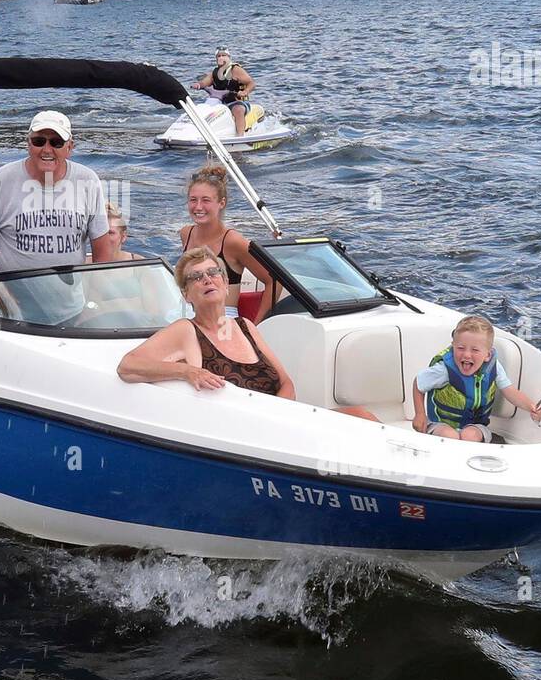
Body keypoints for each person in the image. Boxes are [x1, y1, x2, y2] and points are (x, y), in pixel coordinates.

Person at [117, 247, 378, 421]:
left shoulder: (245, 327)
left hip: (283, 421)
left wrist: (278, 415)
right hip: (245, 437)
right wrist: (188, 372)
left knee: (361, 416)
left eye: (213, 272)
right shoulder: (186, 330)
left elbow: (286, 383)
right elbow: (128, 366)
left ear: (223, 280)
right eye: (196, 277)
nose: (207, 280)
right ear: (186, 294)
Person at [0, 110, 115, 277]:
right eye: (39, 141)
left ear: (70, 147)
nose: (47, 149)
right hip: (12, 301)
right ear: (28, 144)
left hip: (70, 298)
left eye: (56, 142)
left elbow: (103, 249)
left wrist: (95, 290)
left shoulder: (88, 181)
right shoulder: (3, 179)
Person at [411, 314, 541, 442]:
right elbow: (418, 384)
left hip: (476, 426)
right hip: (439, 424)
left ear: (487, 354)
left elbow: (510, 392)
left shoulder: (494, 367)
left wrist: (531, 407)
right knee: (450, 436)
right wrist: (420, 414)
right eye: (461, 348)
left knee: (470, 436)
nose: (467, 355)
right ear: (453, 346)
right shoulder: (444, 369)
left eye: (475, 350)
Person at [177, 164, 273, 321]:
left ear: (221, 203)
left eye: (206, 200)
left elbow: (273, 281)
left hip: (223, 319)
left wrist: (257, 325)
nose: (198, 207)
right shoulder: (185, 234)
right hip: (190, 313)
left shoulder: (232, 241)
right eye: (193, 200)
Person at [192, 47, 255, 137]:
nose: (221, 58)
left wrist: (245, 92)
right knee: (203, 108)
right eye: (219, 56)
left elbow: (251, 83)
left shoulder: (235, 70)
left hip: (236, 101)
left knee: (238, 110)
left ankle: (240, 136)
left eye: (223, 55)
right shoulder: (215, 72)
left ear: (228, 57)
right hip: (220, 102)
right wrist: (198, 85)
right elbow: (205, 82)